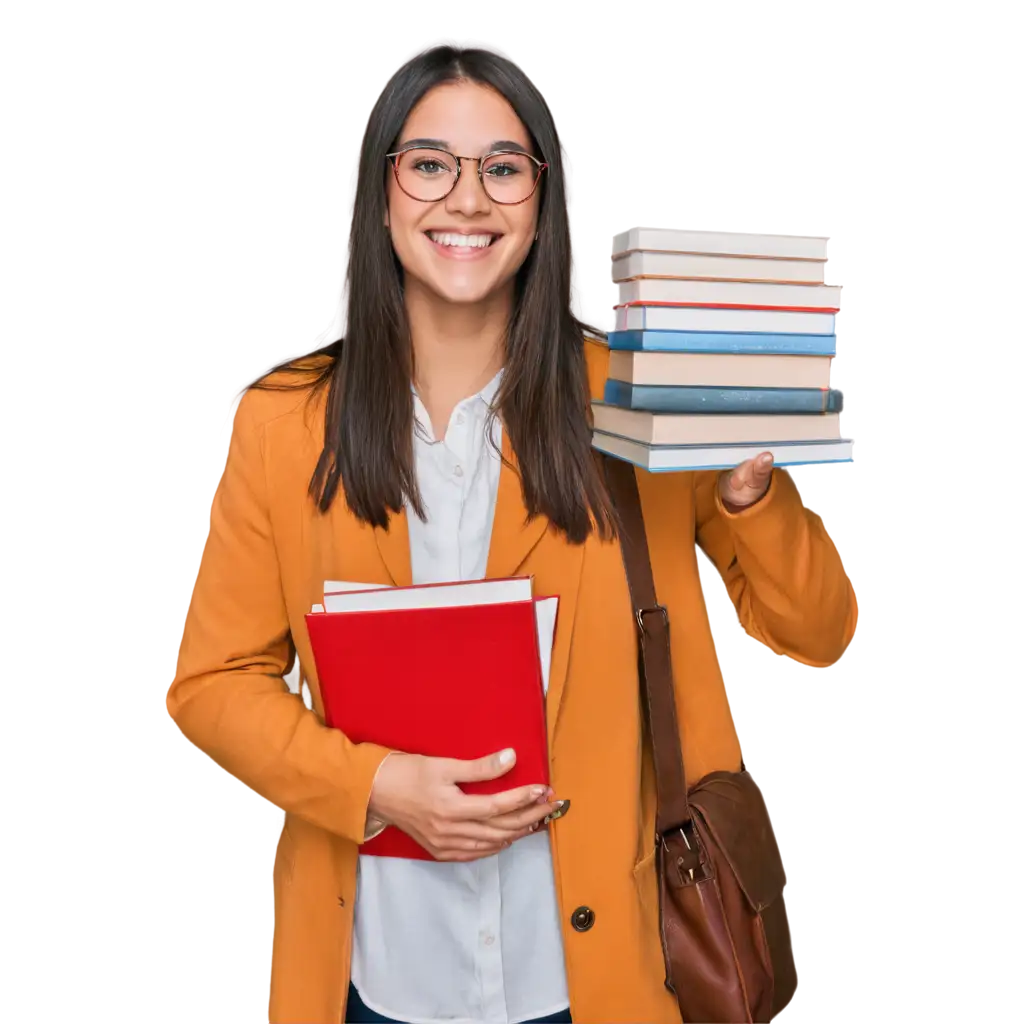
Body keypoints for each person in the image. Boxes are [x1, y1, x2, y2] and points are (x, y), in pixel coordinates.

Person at [163, 37, 854, 1024]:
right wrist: (377, 782)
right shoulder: (281, 428)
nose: (467, 199)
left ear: (540, 199)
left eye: (502, 167)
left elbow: (815, 628)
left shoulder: (635, 405)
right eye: (431, 164)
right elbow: (211, 685)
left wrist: (749, 489)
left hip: (595, 978)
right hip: (376, 980)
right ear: (384, 192)